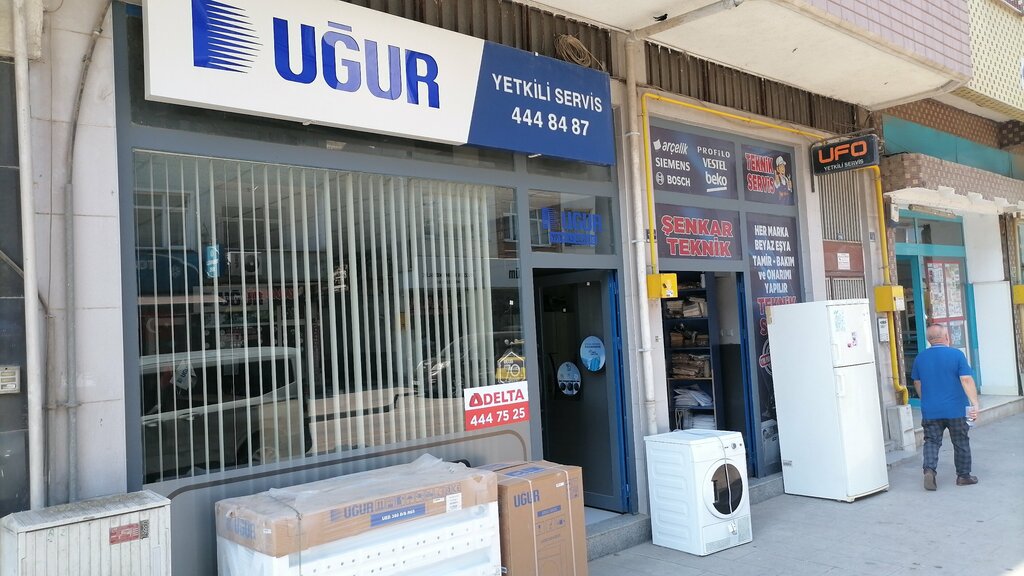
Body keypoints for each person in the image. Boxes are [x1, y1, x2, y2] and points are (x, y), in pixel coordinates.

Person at [911, 323, 980, 490]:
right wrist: (975, 403)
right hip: (956, 409)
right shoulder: (957, 355)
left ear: (929, 340)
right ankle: (963, 476)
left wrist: (926, 400)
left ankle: (929, 470)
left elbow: (917, 383)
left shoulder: (920, 358)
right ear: (946, 337)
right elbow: (966, 379)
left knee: (931, 441)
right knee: (961, 441)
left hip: (931, 410)